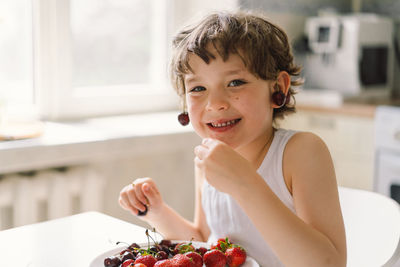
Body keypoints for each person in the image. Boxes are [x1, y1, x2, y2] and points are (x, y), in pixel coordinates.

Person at [119, 10, 346, 267]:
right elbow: (206, 241)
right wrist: (156, 212)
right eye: (198, 88)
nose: (215, 104)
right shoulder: (207, 159)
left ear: (278, 88)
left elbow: (329, 263)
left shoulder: (301, 153)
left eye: (235, 82)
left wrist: (245, 183)